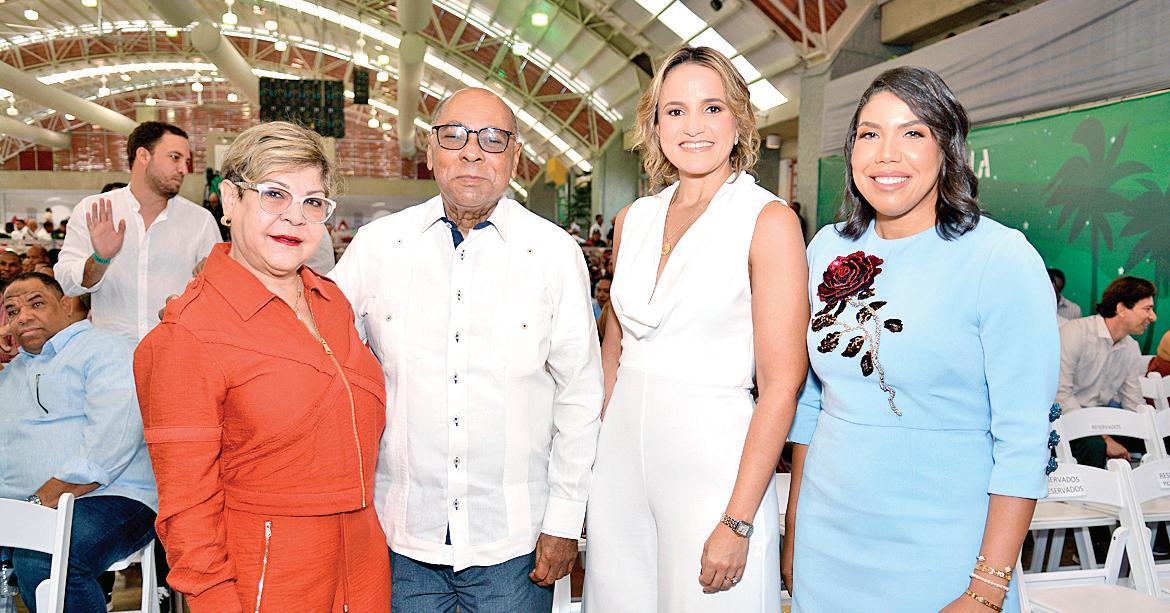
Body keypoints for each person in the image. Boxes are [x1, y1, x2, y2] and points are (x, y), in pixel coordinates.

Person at [784, 67, 1059, 612]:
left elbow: (1024, 440)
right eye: (870, 134)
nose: (887, 154)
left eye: (913, 133)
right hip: (826, 542)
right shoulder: (826, 249)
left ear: (946, 148)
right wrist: (794, 531)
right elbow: (811, 402)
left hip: (945, 552)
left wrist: (986, 589)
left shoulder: (999, 258)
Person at [330, 87, 602, 613]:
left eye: (493, 139)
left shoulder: (553, 253)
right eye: (454, 136)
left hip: (515, 545)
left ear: (515, 157)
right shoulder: (379, 247)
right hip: (400, 538)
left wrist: (565, 520)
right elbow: (314, 346)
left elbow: (580, 395)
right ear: (430, 150)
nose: (473, 152)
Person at [583, 46, 808, 612]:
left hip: (715, 472)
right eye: (675, 111)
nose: (694, 127)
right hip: (618, 470)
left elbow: (782, 384)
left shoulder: (768, 220)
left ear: (739, 119)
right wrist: (592, 465)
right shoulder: (634, 219)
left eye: (712, 108)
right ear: (655, 124)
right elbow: (612, 354)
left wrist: (738, 518)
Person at [134, 122, 389, 613]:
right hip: (267, 575)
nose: (295, 217)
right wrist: (213, 599)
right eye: (274, 194)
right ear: (230, 200)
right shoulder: (191, 332)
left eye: (313, 202)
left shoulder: (331, 301)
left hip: (363, 567)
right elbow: (187, 508)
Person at [0, 272, 157, 613]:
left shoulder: (106, 349)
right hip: (27, 506)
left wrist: (35, 505)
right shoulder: (11, 373)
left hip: (112, 498)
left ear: (66, 305)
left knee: (42, 555)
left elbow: (111, 442)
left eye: (36, 304)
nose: (23, 316)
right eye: (12, 311)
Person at [55, 121, 220, 343]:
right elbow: (67, 283)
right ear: (143, 156)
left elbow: (218, 295)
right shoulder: (94, 210)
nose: (184, 169)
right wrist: (100, 259)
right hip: (111, 353)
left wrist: (213, 278)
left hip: (176, 351)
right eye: (175, 157)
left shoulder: (200, 221)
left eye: (186, 161)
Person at [1056, 276, 1157, 467]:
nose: (1153, 317)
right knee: (1095, 445)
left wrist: (1154, 432)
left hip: (1101, 424)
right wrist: (1105, 438)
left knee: (1160, 438)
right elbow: (1060, 396)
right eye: (1147, 309)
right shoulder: (1075, 333)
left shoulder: (1131, 347)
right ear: (1121, 309)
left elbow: (1133, 402)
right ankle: (1092, 488)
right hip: (1062, 421)